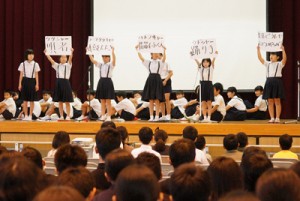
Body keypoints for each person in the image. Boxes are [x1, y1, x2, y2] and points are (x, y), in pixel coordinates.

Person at [135, 44, 166, 121]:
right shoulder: (148, 62)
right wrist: (137, 49)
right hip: (150, 79)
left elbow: (164, 58)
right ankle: (151, 116)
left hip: (158, 79)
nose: (155, 54)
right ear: (151, 55)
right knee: (151, 99)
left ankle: (157, 116)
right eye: (153, 53)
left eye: (156, 53)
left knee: (157, 99)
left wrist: (164, 50)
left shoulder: (160, 63)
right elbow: (141, 58)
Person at [257, 45, 287, 123]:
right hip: (269, 82)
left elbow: (284, 59)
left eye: (273, 55)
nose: (271, 56)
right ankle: (272, 118)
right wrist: (258, 49)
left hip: (277, 81)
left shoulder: (279, 64)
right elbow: (260, 59)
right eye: (270, 55)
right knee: (270, 101)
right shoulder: (267, 64)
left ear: (277, 57)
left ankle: (277, 118)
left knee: (277, 101)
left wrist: (283, 50)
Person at [44, 48, 74, 120]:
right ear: (60, 58)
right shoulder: (57, 65)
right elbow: (51, 60)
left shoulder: (68, 65)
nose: (64, 58)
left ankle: (68, 116)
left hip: (66, 82)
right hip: (58, 83)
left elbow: (70, 59)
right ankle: (61, 116)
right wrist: (47, 54)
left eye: (65, 57)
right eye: (62, 57)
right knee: (60, 101)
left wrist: (71, 52)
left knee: (67, 101)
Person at [87, 47, 116, 122]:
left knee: (108, 101)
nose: (104, 58)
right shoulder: (101, 65)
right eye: (103, 57)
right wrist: (89, 52)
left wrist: (112, 52)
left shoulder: (110, 65)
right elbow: (93, 60)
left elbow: (114, 61)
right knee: (102, 100)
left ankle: (109, 116)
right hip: (101, 81)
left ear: (109, 58)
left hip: (108, 81)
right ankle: (103, 115)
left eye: (106, 57)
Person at [194, 53, 217, 122]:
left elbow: (213, 61)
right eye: (204, 62)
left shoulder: (211, 68)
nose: (205, 63)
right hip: (202, 85)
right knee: (203, 103)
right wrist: (194, 57)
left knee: (209, 103)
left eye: (207, 62)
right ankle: (204, 117)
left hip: (209, 85)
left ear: (209, 63)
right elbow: (198, 63)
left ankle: (209, 118)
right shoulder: (201, 69)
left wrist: (214, 55)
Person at [18, 49, 40, 121]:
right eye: (29, 54)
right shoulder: (22, 64)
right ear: (26, 55)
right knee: (25, 100)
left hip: (32, 81)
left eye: (32, 54)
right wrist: (20, 84)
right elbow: (21, 75)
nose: (31, 56)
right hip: (25, 81)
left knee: (31, 100)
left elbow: (36, 75)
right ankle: (26, 115)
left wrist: (37, 84)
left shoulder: (35, 64)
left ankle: (30, 115)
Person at [158, 53, 173, 121]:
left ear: (161, 55)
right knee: (161, 100)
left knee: (167, 99)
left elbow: (171, 73)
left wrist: (165, 80)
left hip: (166, 80)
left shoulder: (166, 63)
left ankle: (168, 115)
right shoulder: (155, 64)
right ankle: (163, 115)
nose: (157, 56)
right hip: (159, 81)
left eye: (158, 55)